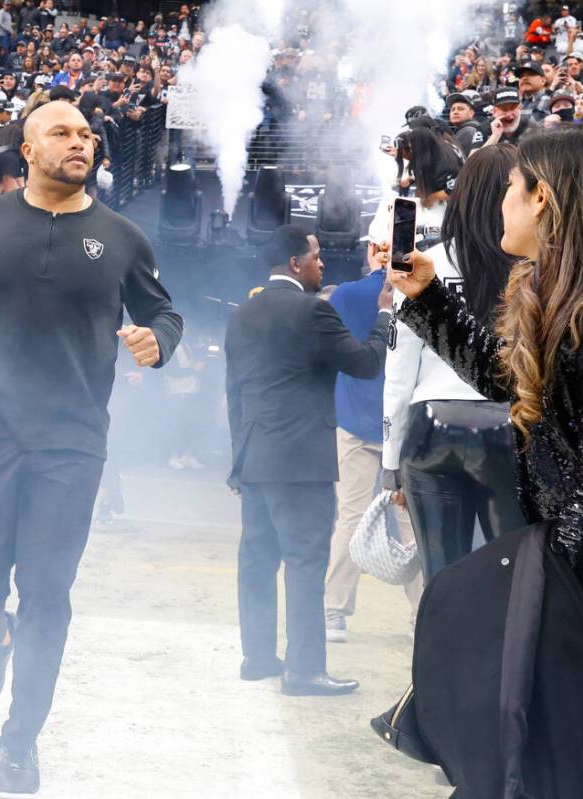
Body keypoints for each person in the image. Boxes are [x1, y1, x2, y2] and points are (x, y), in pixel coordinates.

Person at [0, 100, 182, 797]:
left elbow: (162, 311)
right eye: (62, 133)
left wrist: (159, 341)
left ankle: (19, 740)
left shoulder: (121, 237)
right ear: (28, 150)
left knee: (46, 594)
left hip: (71, 440)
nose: (80, 142)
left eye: (87, 135)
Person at [385, 122, 583, 794]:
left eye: (509, 189)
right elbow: (509, 382)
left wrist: (545, 623)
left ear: (542, 198)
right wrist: (427, 296)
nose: (497, 201)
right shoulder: (576, 307)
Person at [225, 224, 391, 696]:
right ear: (296, 263)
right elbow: (365, 364)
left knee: (257, 560)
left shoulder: (242, 315)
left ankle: (257, 658)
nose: (323, 264)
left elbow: (233, 394)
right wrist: (383, 318)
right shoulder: (312, 313)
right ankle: (304, 669)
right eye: (316, 257)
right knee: (305, 562)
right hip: (301, 464)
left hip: (255, 456)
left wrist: (239, 459)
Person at [383, 144, 528, 581]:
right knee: (513, 582)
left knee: (441, 581)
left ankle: (441, 648)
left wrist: (390, 463)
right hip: (507, 426)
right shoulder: (533, 266)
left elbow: (399, 368)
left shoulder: (426, 262)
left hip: (430, 428)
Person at [322, 219, 423, 644]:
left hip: (354, 422)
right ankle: (425, 616)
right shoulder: (421, 295)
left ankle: (333, 611)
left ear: (371, 249)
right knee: (413, 525)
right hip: (404, 429)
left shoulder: (346, 295)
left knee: (350, 516)